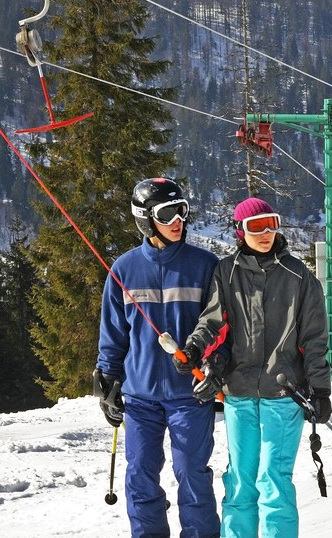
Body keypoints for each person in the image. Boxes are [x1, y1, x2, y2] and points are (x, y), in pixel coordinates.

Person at [183, 196, 331, 538]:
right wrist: (196, 348)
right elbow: (214, 323)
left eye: (271, 224)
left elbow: (314, 339)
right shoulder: (226, 272)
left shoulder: (299, 277)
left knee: (272, 480)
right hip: (240, 394)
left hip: (284, 394)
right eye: (256, 226)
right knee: (240, 480)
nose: (265, 233)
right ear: (240, 231)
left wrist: (320, 390)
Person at [94, 177, 221, 538]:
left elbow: (221, 326)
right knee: (140, 476)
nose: (179, 220)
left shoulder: (204, 265)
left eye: (182, 210)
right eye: (168, 213)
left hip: (190, 394)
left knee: (192, 473)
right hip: (140, 397)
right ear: (146, 219)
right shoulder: (124, 269)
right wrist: (108, 382)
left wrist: (214, 365)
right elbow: (113, 335)